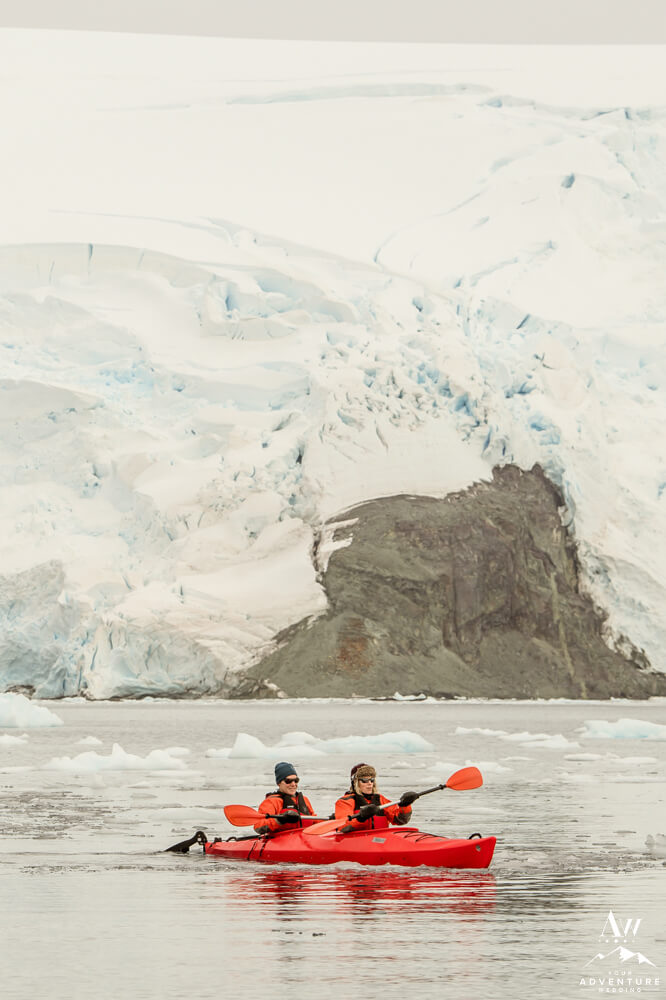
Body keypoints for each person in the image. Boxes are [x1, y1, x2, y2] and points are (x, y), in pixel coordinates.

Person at [334, 763, 419, 833]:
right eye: (364, 780)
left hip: (380, 841)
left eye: (372, 780)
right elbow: (343, 827)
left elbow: (400, 820)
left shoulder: (381, 800)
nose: (369, 783)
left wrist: (405, 805)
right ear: (355, 783)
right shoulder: (344, 802)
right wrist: (361, 818)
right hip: (356, 842)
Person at [254, 761, 315, 834]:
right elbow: (258, 827)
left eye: (296, 780)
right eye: (288, 781)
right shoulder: (271, 802)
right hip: (281, 841)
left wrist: (330, 819)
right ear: (279, 783)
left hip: (304, 838)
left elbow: (314, 819)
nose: (293, 784)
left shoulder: (304, 800)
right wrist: (280, 820)